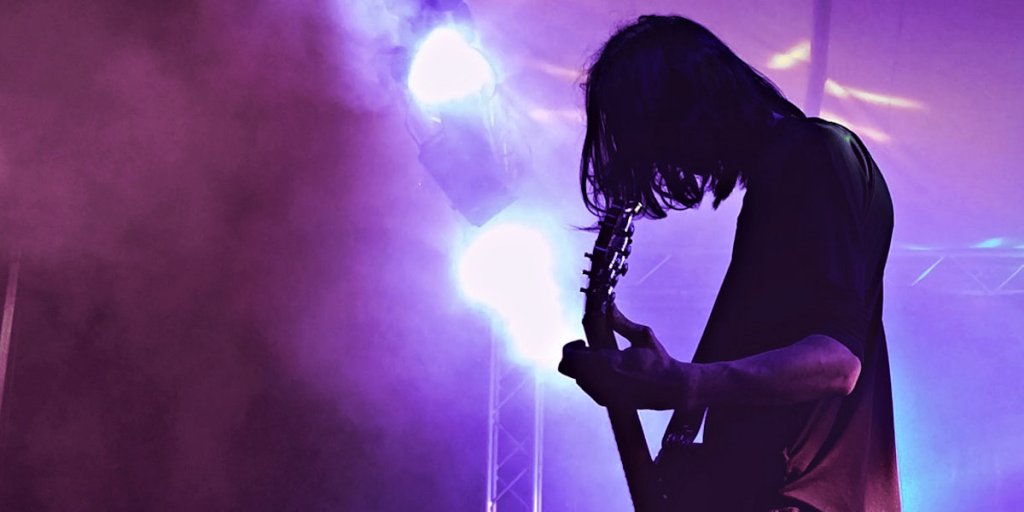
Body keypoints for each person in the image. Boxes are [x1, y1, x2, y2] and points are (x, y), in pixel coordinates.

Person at [558, 15, 900, 512]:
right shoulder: (778, 181)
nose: (662, 161)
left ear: (688, 104)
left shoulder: (814, 155)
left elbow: (835, 363)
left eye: (654, 134)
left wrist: (682, 382)